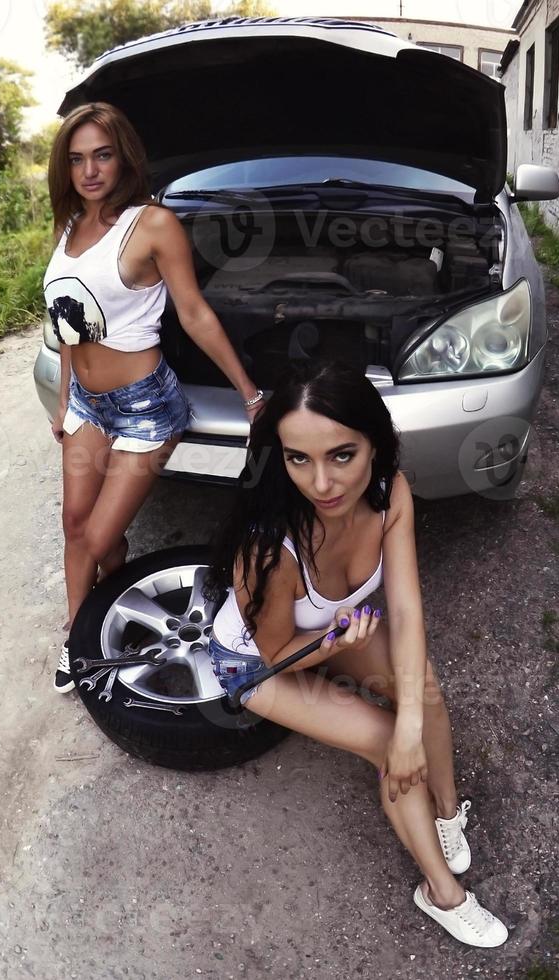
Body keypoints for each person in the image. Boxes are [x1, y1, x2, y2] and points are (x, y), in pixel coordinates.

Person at [205, 359, 510, 948]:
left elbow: (406, 608)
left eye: (341, 454)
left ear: (376, 445)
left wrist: (412, 724)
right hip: (264, 661)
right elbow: (273, 654)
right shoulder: (272, 548)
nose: (321, 484)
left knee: (420, 690)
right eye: (299, 459)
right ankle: (442, 892)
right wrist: (335, 651)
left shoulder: (390, 490)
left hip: (340, 632)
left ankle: (447, 812)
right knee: (381, 740)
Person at [45, 101, 263, 693]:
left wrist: (248, 392)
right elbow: (67, 319)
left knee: (98, 536)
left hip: (145, 407)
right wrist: (66, 400)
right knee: (75, 525)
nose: (89, 170)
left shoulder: (153, 224)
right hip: (90, 404)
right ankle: (80, 633)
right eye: (77, 158)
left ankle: (92, 629)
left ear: (124, 157)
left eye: (102, 155)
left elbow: (193, 312)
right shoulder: (69, 228)